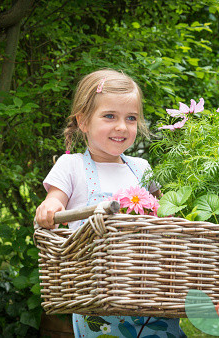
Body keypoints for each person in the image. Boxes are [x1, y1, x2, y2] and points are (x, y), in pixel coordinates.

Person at [35, 69, 185, 337]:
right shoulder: (72, 166)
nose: (122, 127)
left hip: (149, 284)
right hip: (98, 287)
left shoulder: (141, 167)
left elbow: (166, 212)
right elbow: (54, 200)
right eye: (109, 116)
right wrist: (51, 207)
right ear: (83, 121)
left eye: (131, 118)